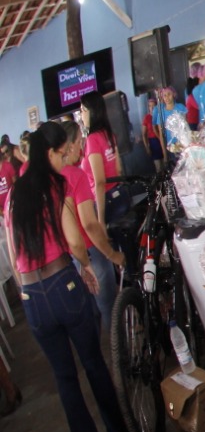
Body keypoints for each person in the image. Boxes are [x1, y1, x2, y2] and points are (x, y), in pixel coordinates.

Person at [5, 121, 132, 432]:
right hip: (63, 284)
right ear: (50, 154)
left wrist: (27, 290)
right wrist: (86, 267)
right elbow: (76, 241)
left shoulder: (14, 196)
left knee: (65, 379)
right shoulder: (57, 186)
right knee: (93, 363)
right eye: (63, 154)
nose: (66, 160)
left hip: (31, 296)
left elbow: (13, 256)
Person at [62, 120, 126, 332]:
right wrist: (111, 254)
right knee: (108, 304)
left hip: (69, 256)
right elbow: (89, 224)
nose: (81, 147)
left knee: (89, 309)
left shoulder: (51, 178)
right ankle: (119, 346)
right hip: (91, 249)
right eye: (79, 142)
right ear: (69, 145)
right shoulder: (75, 175)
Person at [78, 91, 120, 228]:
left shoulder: (92, 139)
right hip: (118, 195)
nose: (81, 115)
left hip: (104, 202)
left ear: (92, 112)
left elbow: (100, 182)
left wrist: (100, 220)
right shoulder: (108, 134)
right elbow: (119, 170)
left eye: (83, 110)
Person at [152, 86, 183, 157]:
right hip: (171, 146)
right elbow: (160, 133)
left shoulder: (180, 107)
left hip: (182, 143)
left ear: (173, 94)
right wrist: (164, 153)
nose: (167, 97)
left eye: (169, 94)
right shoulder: (160, 112)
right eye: (164, 95)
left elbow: (186, 126)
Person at [0, 136, 16, 216]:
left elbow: (15, 184)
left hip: (13, 205)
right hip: (2, 213)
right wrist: (3, 213)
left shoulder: (8, 166)